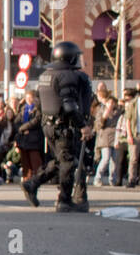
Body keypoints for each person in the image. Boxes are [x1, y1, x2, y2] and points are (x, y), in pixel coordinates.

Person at [22, 41, 94, 212]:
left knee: (61, 160)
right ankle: (64, 199)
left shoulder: (46, 75)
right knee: (68, 162)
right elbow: (69, 105)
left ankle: (33, 184)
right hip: (64, 126)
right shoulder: (67, 76)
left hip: (50, 125)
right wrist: (82, 125)